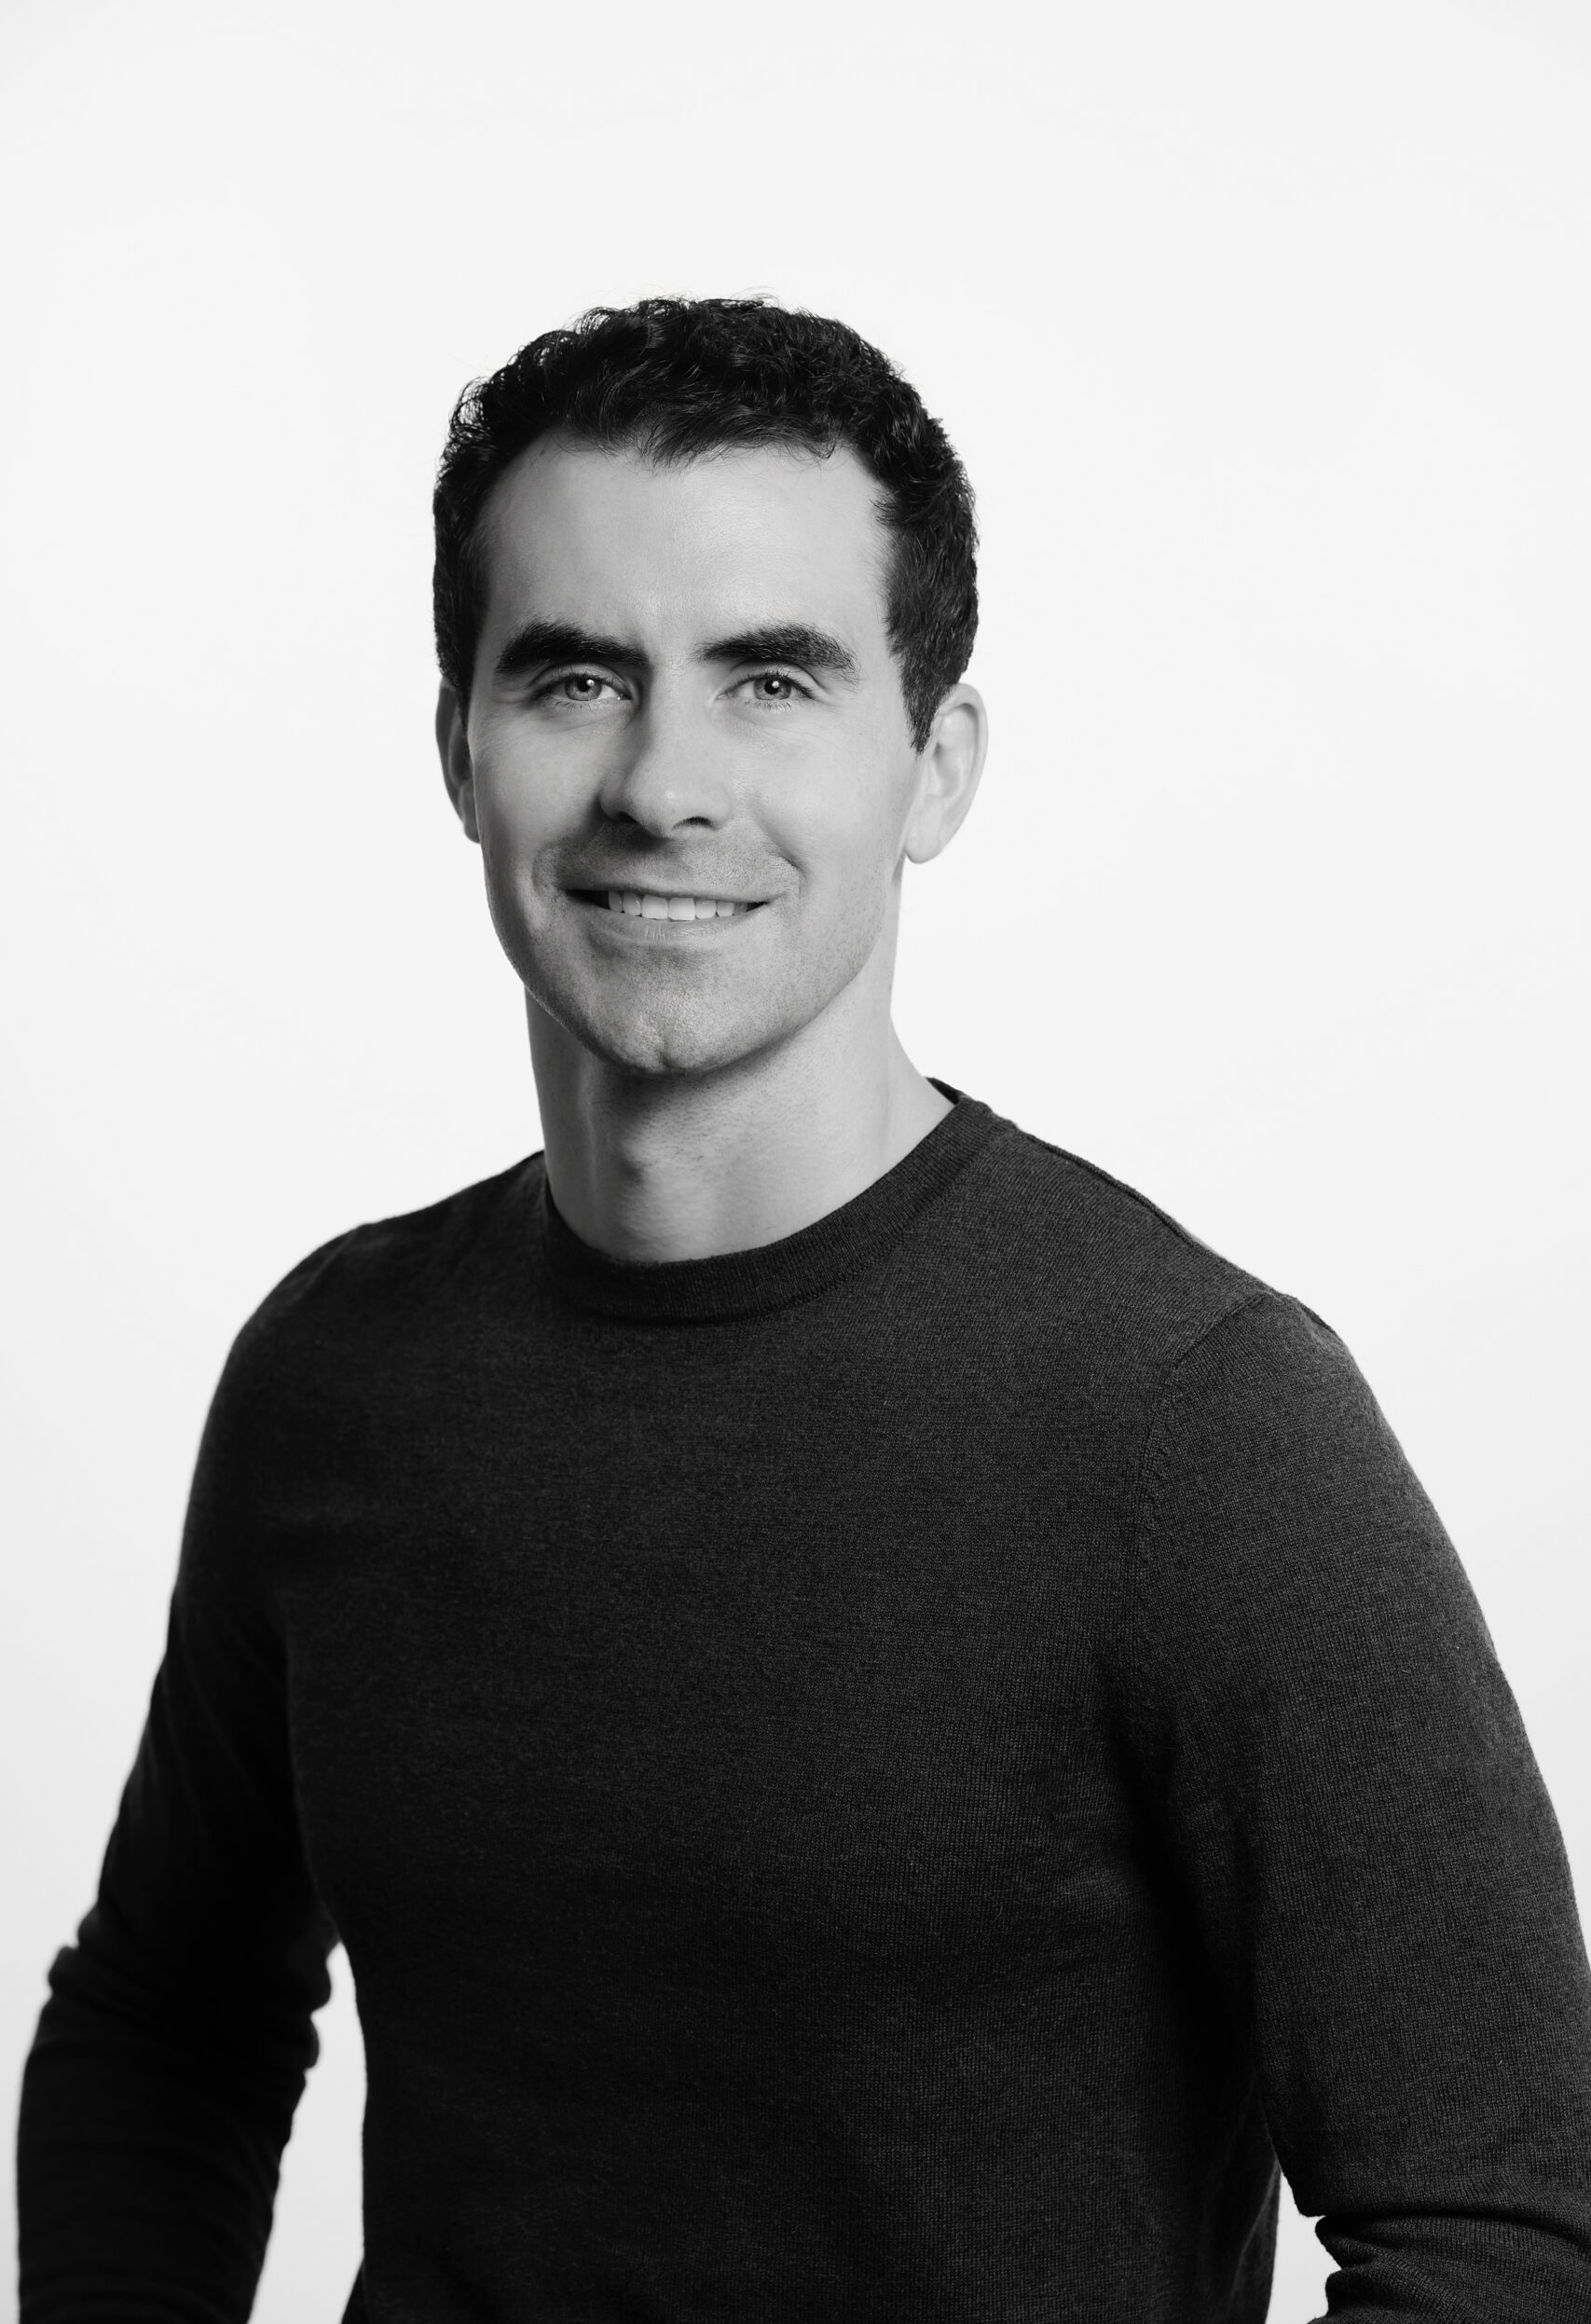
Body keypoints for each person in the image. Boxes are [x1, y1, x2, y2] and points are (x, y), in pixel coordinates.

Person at [18, 296, 1591, 2324]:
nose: (665, 781)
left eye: (770, 678)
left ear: (931, 766)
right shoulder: (337, 1375)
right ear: (455, 747)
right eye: (574, 674)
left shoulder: (1188, 1415)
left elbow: (1505, 2225)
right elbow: (167, 2017)